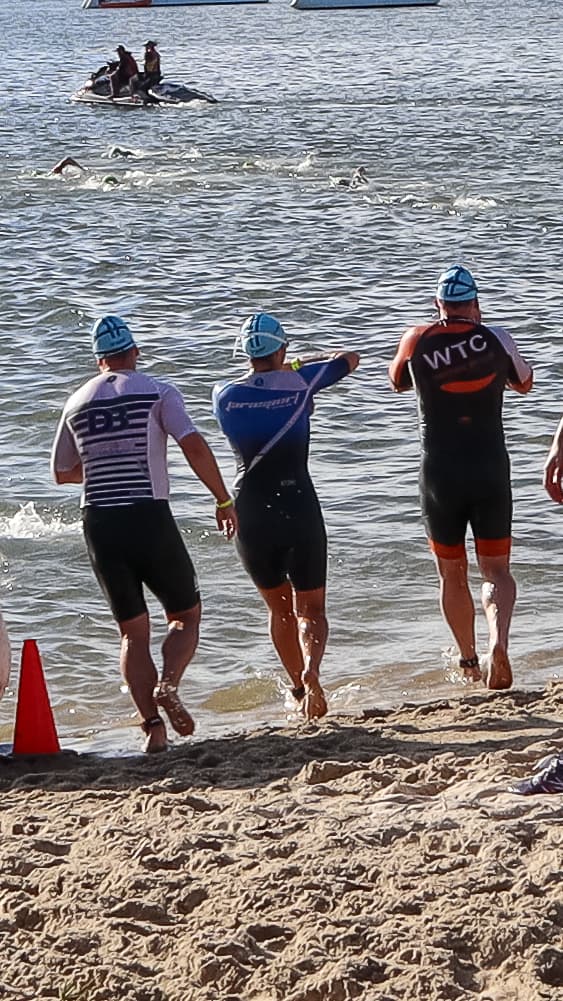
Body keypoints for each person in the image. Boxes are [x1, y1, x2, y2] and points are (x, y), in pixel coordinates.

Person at [51, 316, 237, 753]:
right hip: (148, 515)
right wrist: (223, 499)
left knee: (132, 633)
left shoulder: (75, 402)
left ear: (98, 360)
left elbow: (61, 472)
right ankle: (168, 684)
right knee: (185, 616)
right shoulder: (158, 391)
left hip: (99, 522)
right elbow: (192, 444)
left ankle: (153, 729)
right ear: (134, 351)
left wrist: (103, 468)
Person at [389, 265, 533, 689]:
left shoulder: (417, 338)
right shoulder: (497, 338)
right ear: (475, 303)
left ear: (438, 304)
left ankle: (469, 662)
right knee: (496, 571)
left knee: (451, 574)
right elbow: (525, 383)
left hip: (440, 472)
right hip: (490, 467)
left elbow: (397, 381)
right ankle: (498, 642)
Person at [213, 313, 359, 721]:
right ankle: (313, 672)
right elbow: (349, 357)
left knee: (279, 610)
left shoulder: (223, 395)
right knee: (311, 609)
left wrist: (281, 365)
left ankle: (297, 688)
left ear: (244, 352)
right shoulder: (301, 382)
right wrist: (296, 363)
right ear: (282, 348)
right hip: (299, 505)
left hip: (251, 511)